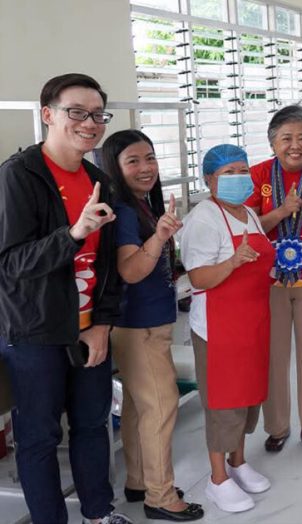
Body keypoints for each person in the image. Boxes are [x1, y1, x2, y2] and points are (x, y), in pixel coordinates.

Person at [0, 73, 131, 524]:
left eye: (97, 114)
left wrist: (102, 325)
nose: (90, 123)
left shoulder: (99, 180)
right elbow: (10, 264)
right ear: (49, 115)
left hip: (89, 328)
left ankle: (98, 514)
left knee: (93, 427)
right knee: (38, 437)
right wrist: (74, 234)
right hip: (36, 333)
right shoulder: (19, 177)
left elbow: (111, 267)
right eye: (77, 111)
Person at [102, 129, 203, 522]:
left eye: (150, 158)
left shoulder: (140, 203)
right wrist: (160, 237)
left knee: (138, 407)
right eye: (133, 161)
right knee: (161, 408)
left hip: (146, 322)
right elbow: (130, 269)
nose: (146, 168)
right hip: (138, 326)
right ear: (115, 167)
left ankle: (140, 480)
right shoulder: (125, 211)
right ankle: (160, 496)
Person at [178, 145, 274, 513]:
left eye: (242, 170)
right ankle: (218, 479)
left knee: (248, 396)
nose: (239, 177)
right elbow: (198, 276)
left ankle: (238, 462)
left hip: (253, 321)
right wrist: (233, 262)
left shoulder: (247, 212)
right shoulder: (204, 218)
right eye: (229, 171)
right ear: (209, 179)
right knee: (224, 401)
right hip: (220, 326)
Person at [246, 105, 302, 455]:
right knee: (274, 357)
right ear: (273, 143)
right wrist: (283, 211)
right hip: (268, 285)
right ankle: (277, 426)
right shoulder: (256, 177)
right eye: (286, 138)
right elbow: (251, 230)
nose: (295, 145)